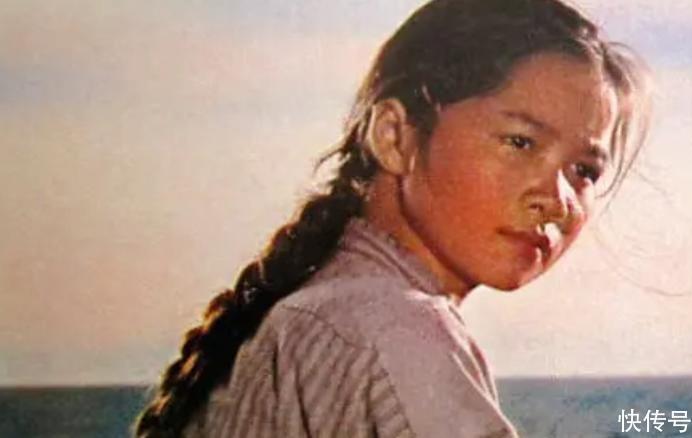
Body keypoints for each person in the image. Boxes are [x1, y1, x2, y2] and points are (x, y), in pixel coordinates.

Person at [135, 0, 651, 436]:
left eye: (584, 171)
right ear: (394, 137)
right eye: (520, 142)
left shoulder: (327, 312)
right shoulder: (389, 327)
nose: (558, 200)